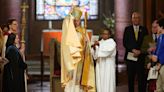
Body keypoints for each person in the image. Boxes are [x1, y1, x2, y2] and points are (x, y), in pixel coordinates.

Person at [61, 7, 95, 92]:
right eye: (75, 20)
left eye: (78, 20)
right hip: (72, 60)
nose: (77, 22)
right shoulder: (69, 32)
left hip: (81, 59)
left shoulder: (83, 31)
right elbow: (67, 46)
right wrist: (70, 14)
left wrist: (87, 43)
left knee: (79, 80)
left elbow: (88, 46)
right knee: (72, 79)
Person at [123, 12, 148, 92]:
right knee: (131, 79)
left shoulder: (144, 29)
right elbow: (125, 42)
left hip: (141, 58)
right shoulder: (127, 29)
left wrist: (140, 51)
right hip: (130, 57)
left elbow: (146, 43)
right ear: (131, 19)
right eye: (134, 18)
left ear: (139, 19)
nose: (136, 19)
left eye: (137, 17)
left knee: (141, 79)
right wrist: (133, 50)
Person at [141, 20, 160, 92]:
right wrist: (148, 49)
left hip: (159, 63)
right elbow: (142, 50)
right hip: (148, 63)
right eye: (152, 27)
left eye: (155, 27)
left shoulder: (161, 37)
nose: (154, 29)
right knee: (150, 84)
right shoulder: (146, 38)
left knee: (158, 85)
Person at [152, 18, 164, 92]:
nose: (157, 28)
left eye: (158, 26)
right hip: (158, 64)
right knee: (158, 87)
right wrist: (154, 56)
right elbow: (157, 50)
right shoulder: (160, 37)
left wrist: (160, 62)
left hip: (162, 64)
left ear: (162, 27)